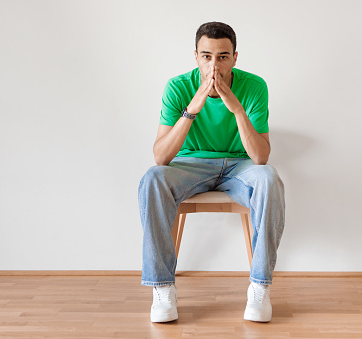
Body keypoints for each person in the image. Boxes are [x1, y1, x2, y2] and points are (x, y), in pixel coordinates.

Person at [138, 21, 285, 323]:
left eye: (222, 56)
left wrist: (236, 108)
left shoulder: (254, 86)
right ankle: (163, 287)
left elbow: (260, 157)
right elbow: (161, 157)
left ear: (234, 57)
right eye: (206, 56)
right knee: (152, 179)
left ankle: (259, 287)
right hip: (191, 166)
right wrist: (193, 107)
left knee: (270, 178)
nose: (213, 65)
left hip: (240, 166)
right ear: (195, 56)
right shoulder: (178, 87)